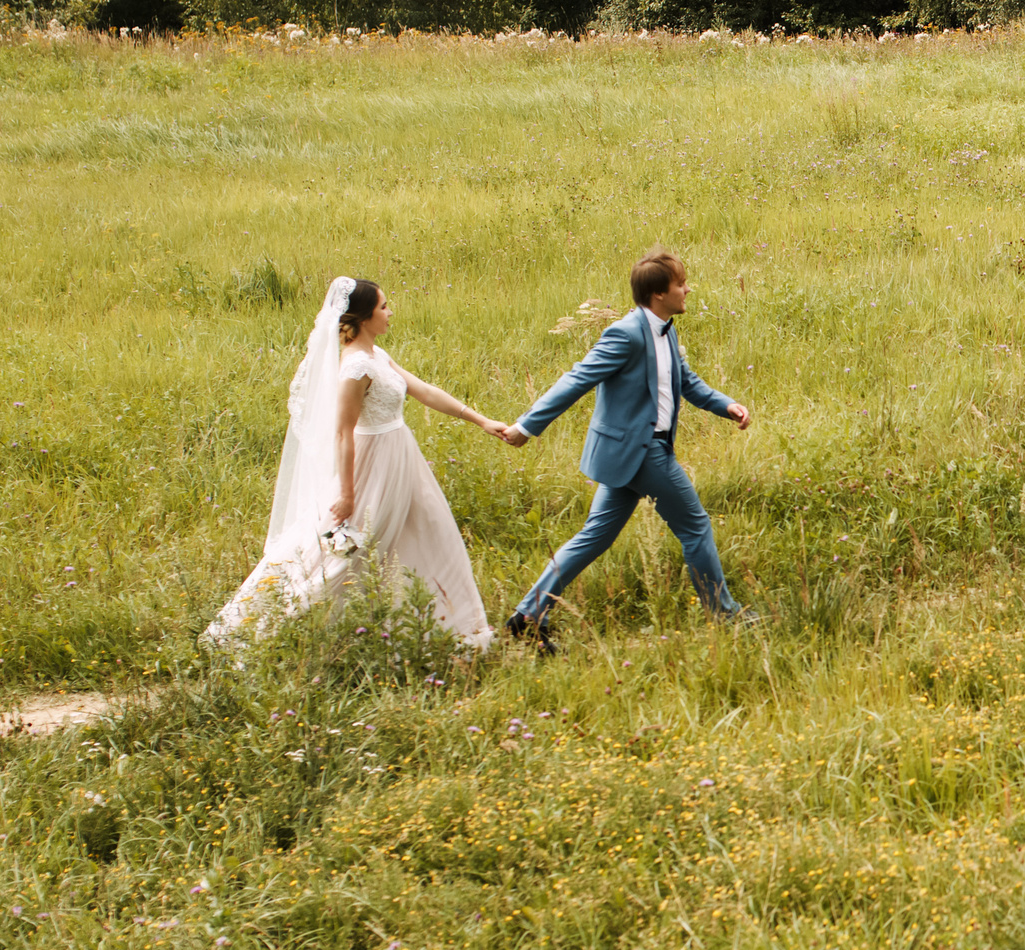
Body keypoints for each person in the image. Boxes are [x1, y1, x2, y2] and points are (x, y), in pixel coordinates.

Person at [206, 276, 509, 648]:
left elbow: (425, 391)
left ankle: (453, 629)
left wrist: (481, 421)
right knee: (351, 551)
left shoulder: (376, 356)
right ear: (364, 317)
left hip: (403, 458)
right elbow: (343, 432)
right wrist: (347, 495)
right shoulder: (355, 368)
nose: (390, 312)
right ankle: (266, 625)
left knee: (431, 531)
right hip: (374, 464)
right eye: (384, 306)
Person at [502, 246, 751, 650]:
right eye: (681, 284)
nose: (688, 289)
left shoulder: (666, 329)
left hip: (630, 455)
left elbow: (686, 381)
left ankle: (527, 616)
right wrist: (527, 426)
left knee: (594, 536)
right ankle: (724, 615)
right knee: (696, 527)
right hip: (644, 452)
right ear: (659, 294)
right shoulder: (626, 333)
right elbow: (577, 379)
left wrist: (726, 405)